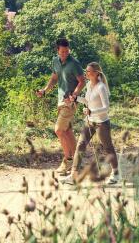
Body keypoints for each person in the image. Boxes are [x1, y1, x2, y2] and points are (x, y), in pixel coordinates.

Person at [62, 62, 120, 185]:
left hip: (101, 123)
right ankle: (74, 175)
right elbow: (87, 101)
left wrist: (91, 111)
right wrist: (76, 98)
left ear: (96, 73)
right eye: (86, 71)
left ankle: (116, 173)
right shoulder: (89, 85)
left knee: (108, 147)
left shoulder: (101, 87)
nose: (86, 73)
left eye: (89, 71)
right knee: (80, 146)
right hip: (90, 121)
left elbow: (106, 107)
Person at [36, 38, 85, 175]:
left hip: (70, 102)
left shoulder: (74, 63)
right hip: (60, 100)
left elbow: (82, 81)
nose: (65, 53)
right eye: (62, 51)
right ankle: (77, 160)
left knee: (58, 130)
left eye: (67, 51)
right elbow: (54, 78)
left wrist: (74, 95)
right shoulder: (55, 61)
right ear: (57, 50)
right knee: (67, 131)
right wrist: (45, 90)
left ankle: (68, 160)